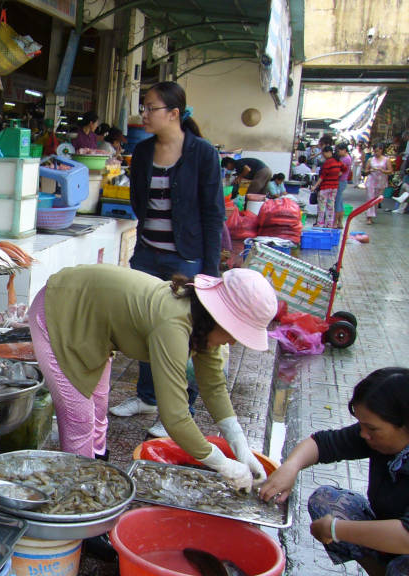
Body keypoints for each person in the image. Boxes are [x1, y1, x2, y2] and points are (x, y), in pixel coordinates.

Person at [29, 265, 274, 491]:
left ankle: (95, 474)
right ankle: (79, 498)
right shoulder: (173, 324)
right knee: (80, 418)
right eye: (234, 333)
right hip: (60, 308)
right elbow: (175, 418)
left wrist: (239, 444)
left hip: (94, 326)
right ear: (219, 317)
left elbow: (213, 386)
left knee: (99, 406)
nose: (233, 341)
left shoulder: (201, 324)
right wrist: (223, 464)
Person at [108, 81, 224, 438]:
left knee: (182, 338)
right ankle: (147, 397)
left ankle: (181, 410)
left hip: (186, 259)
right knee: (143, 326)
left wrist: (209, 271)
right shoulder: (142, 152)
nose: (143, 114)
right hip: (147, 253)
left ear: (173, 113)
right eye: (143, 107)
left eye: (150, 107)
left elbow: (213, 214)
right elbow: (139, 201)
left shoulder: (203, 154)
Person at [259, 368, 409, 576]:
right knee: (327, 501)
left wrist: (335, 529)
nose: (363, 434)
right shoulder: (374, 436)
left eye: (372, 429)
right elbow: (322, 444)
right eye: (361, 426)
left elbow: (406, 537)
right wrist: (290, 467)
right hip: (393, 537)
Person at [314, 146, 343, 228]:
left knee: (322, 206)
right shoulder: (338, 161)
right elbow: (345, 168)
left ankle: (320, 223)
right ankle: (329, 224)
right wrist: (339, 173)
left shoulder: (328, 162)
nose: (323, 156)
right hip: (334, 187)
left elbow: (322, 176)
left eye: (324, 154)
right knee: (331, 206)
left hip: (325, 187)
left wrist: (315, 186)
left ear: (328, 152)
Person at [365, 143, 392, 225]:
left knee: (377, 200)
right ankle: (369, 217)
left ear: (381, 150)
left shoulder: (386, 160)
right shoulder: (370, 160)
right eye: (375, 151)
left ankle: (372, 215)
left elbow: (390, 171)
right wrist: (370, 170)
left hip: (381, 182)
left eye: (378, 151)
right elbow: (366, 170)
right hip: (371, 181)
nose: (376, 153)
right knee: (370, 198)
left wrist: (382, 170)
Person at [336, 143, 353, 226]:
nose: (338, 152)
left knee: (338, 202)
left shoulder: (346, 159)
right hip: (342, 181)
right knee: (340, 202)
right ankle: (339, 223)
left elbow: (340, 172)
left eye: (339, 151)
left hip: (341, 181)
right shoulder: (344, 158)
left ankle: (337, 222)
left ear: (344, 150)